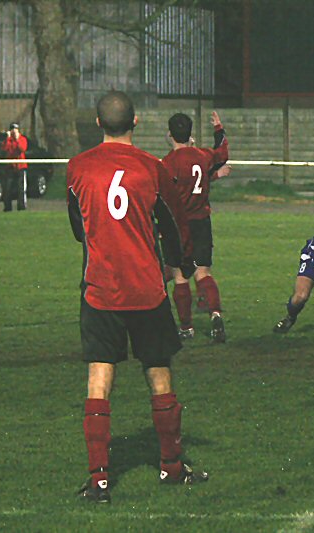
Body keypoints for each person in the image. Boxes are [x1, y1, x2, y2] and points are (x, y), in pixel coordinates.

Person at [66, 91, 205, 505]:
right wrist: (179, 263)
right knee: (158, 372)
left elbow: (78, 228)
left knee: (99, 376)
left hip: (100, 290)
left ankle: (99, 481)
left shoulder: (77, 169)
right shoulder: (153, 168)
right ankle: (171, 466)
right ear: (137, 122)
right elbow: (173, 224)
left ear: (97, 123)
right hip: (146, 289)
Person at [162, 111, 230, 343]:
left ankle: (187, 327)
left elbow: (164, 196)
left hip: (179, 226)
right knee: (203, 272)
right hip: (202, 222)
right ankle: (215, 313)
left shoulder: (168, 163)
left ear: (169, 134)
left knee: (180, 276)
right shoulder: (202, 155)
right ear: (190, 134)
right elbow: (222, 153)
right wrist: (219, 129)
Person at [0, 122, 28, 211]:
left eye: (15, 129)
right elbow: (5, 149)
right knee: (8, 188)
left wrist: (17, 139)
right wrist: (8, 138)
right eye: (12, 129)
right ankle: (7, 208)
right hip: (10, 167)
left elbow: (22, 148)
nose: (14, 131)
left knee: (21, 189)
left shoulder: (22, 139)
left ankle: (21, 207)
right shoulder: (8, 140)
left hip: (20, 167)